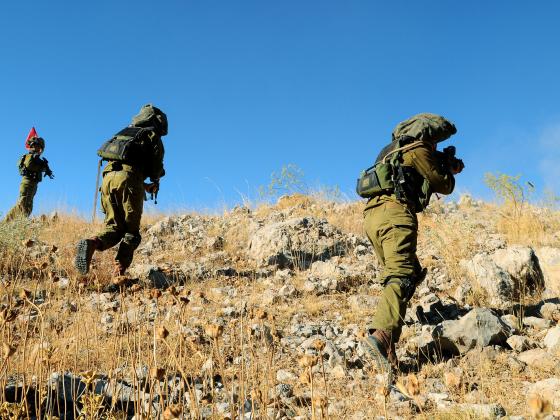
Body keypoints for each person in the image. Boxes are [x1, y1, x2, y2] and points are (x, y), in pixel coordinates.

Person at [361, 113, 464, 376]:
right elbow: (443, 184)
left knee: (405, 272)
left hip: (373, 216)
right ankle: (382, 337)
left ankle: (390, 352)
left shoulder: (391, 150)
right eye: (435, 141)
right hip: (395, 213)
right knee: (402, 275)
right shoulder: (418, 148)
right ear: (429, 135)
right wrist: (449, 170)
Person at [75, 104, 167, 276]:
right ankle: (119, 273)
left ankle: (92, 243)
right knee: (132, 232)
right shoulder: (151, 135)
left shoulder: (125, 132)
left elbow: (125, 169)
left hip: (108, 179)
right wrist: (156, 179)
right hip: (129, 180)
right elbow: (153, 169)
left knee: (115, 228)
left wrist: (144, 186)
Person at [4, 136, 54, 222]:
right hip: (27, 182)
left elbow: (39, 167)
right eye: (39, 147)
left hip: (34, 184)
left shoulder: (37, 159)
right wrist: (41, 166)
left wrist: (46, 169)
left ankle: (22, 223)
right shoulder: (30, 156)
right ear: (34, 146)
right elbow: (29, 166)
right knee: (22, 203)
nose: (40, 150)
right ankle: (6, 222)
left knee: (29, 205)